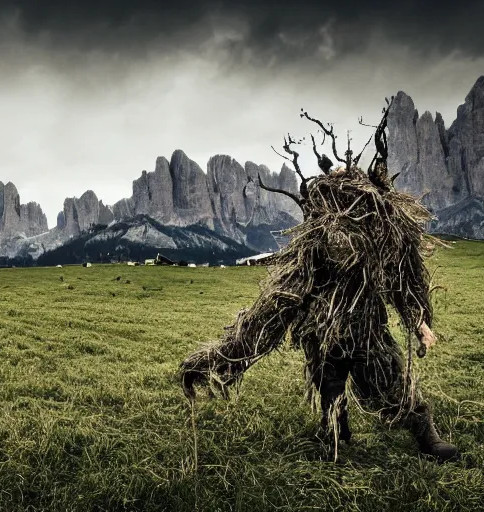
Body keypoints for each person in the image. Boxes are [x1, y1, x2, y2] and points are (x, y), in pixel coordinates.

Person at [179, 106, 460, 463]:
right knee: (329, 387)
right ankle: (337, 438)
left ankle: (428, 438)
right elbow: (277, 303)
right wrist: (224, 356)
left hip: (366, 328)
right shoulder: (315, 242)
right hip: (321, 329)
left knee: (388, 380)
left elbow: (403, 279)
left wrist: (418, 322)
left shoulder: (378, 235)